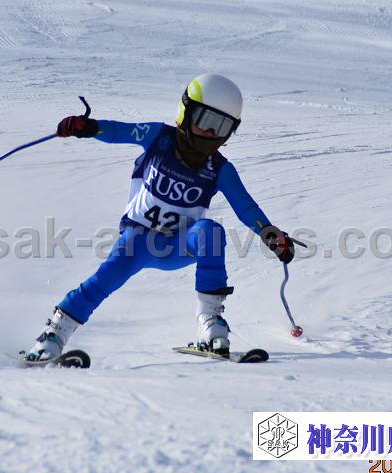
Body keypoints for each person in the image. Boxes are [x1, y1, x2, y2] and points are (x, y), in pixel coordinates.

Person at [26, 73, 294, 361]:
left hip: (178, 246)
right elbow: (119, 131)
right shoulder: (158, 137)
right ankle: (53, 335)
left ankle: (211, 324)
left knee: (210, 232)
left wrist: (269, 233)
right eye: (205, 120)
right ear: (186, 111)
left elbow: (246, 208)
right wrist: (89, 127)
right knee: (107, 277)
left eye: (220, 126)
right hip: (139, 239)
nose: (209, 132)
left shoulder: (219, 169)